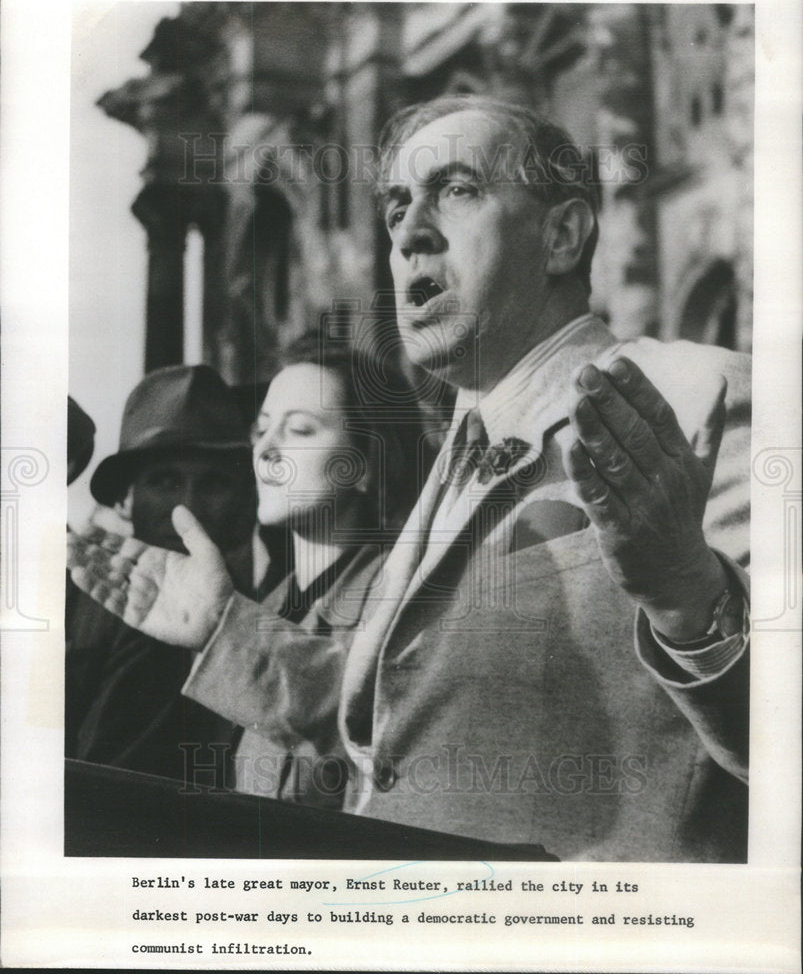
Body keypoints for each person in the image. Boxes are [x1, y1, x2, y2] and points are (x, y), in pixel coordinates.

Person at [68, 96, 750, 861]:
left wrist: (692, 599)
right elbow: (399, 735)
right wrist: (228, 632)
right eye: (395, 208)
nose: (409, 233)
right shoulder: (445, 473)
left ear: (560, 235)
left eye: (456, 190)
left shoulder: (702, 396)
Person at [72, 333, 427, 808]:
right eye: (261, 429)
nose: (264, 450)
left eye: (300, 429)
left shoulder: (406, 603)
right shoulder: (264, 606)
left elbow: (403, 753)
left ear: (365, 463)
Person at [65, 364, 257, 780]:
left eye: (214, 483)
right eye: (165, 481)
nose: (187, 507)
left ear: (244, 500)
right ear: (124, 500)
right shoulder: (73, 598)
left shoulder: (264, 622)